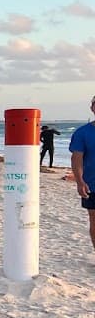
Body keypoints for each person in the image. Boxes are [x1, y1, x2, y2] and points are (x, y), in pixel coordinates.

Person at [68, 98, 95, 252]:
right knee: (94, 219)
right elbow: (76, 159)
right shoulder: (82, 133)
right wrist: (79, 181)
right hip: (91, 185)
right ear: (92, 108)